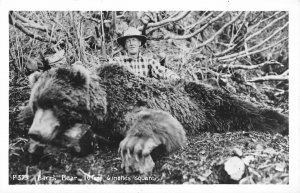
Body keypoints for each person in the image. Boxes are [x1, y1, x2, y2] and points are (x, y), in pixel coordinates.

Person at [109, 27, 180, 80]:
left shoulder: (148, 62)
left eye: (134, 40)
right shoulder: (118, 62)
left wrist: (174, 77)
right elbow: (108, 68)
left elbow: (163, 71)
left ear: (139, 43)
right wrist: (104, 64)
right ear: (125, 45)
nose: (131, 43)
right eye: (128, 41)